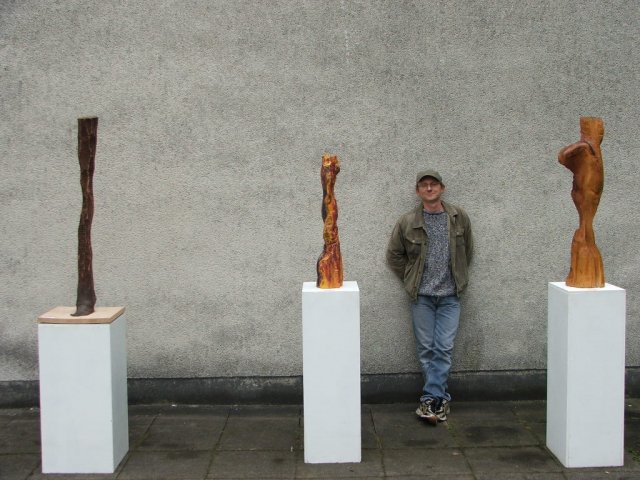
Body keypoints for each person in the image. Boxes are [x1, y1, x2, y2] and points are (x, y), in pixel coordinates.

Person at [386, 169, 473, 425]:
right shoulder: (407, 221)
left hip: (450, 296)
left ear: (442, 188)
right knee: (426, 350)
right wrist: (410, 277)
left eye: (433, 184)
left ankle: (430, 400)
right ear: (418, 191)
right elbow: (394, 255)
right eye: (424, 185)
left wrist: (457, 276)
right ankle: (438, 402)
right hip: (421, 297)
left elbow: (467, 251)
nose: (429, 188)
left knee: (443, 348)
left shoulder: (458, 217)